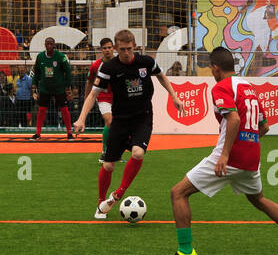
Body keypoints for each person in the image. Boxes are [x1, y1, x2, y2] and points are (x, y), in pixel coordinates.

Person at [160, 46, 278, 255]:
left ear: (215, 68)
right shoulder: (248, 87)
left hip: (230, 157)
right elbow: (265, 126)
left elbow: (232, 119)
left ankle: (186, 252)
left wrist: (225, 155)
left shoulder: (222, 87)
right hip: (251, 157)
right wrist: (248, 141)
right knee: (259, 200)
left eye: (210, 68)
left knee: (178, 193)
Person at [73, 29, 185, 219]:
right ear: (116, 49)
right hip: (120, 120)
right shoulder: (109, 68)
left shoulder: (146, 62)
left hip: (143, 117)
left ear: (135, 47)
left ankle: (119, 193)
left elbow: (161, 76)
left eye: (129, 49)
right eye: (122, 49)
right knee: (108, 166)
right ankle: (101, 202)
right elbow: (93, 94)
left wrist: (174, 96)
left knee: (138, 153)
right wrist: (81, 118)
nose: (126, 53)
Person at [31, 36, 73, 140]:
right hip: (45, 88)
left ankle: (69, 133)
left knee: (64, 109)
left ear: (54, 45)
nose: (49, 45)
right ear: (45, 45)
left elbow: (67, 72)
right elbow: (36, 72)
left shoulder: (61, 56)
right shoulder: (40, 57)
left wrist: (68, 86)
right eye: (47, 44)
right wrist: (34, 85)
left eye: (51, 44)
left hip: (59, 88)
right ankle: (38, 133)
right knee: (41, 110)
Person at [85, 37, 116, 150]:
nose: (107, 50)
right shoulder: (95, 66)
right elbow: (89, 82)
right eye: (105, 48)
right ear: (101, 50)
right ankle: (105, 151)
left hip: (118, 98)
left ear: (114, 48)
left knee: (117, 125)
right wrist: (87, 100)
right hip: (103, 97)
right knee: (109, 121)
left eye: (109, 47)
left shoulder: (120, 62)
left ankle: (115, 152)